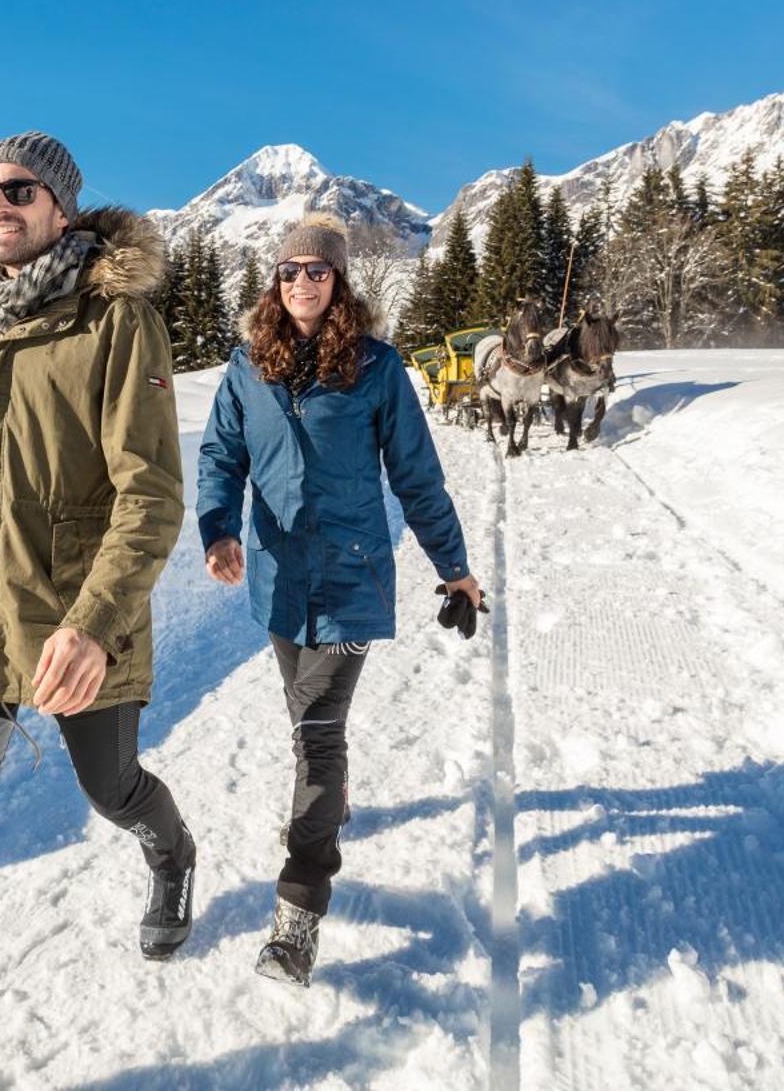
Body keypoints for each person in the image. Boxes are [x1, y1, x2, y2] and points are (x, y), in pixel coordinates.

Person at [0, 131, 196, 1090]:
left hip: (75, 623)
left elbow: (150, 493)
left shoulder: (116, 322)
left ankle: (172, 848)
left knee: (110, 790)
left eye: (19, 190)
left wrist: (94, 622)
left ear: (61, 206)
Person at [196, 213, 482, 987]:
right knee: (306, 724)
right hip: (278, 581)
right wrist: (218, 528)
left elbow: (417, 476)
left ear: (339, 280)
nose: (303, 283)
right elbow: (221, 454)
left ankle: (297, 914)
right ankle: (335, 794)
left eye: (317, 271)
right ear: (274, 281)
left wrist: (454, 568)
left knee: (318, 735)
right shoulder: (246, 367)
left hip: (352, 580)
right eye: (290, 271)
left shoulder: (377, 368)